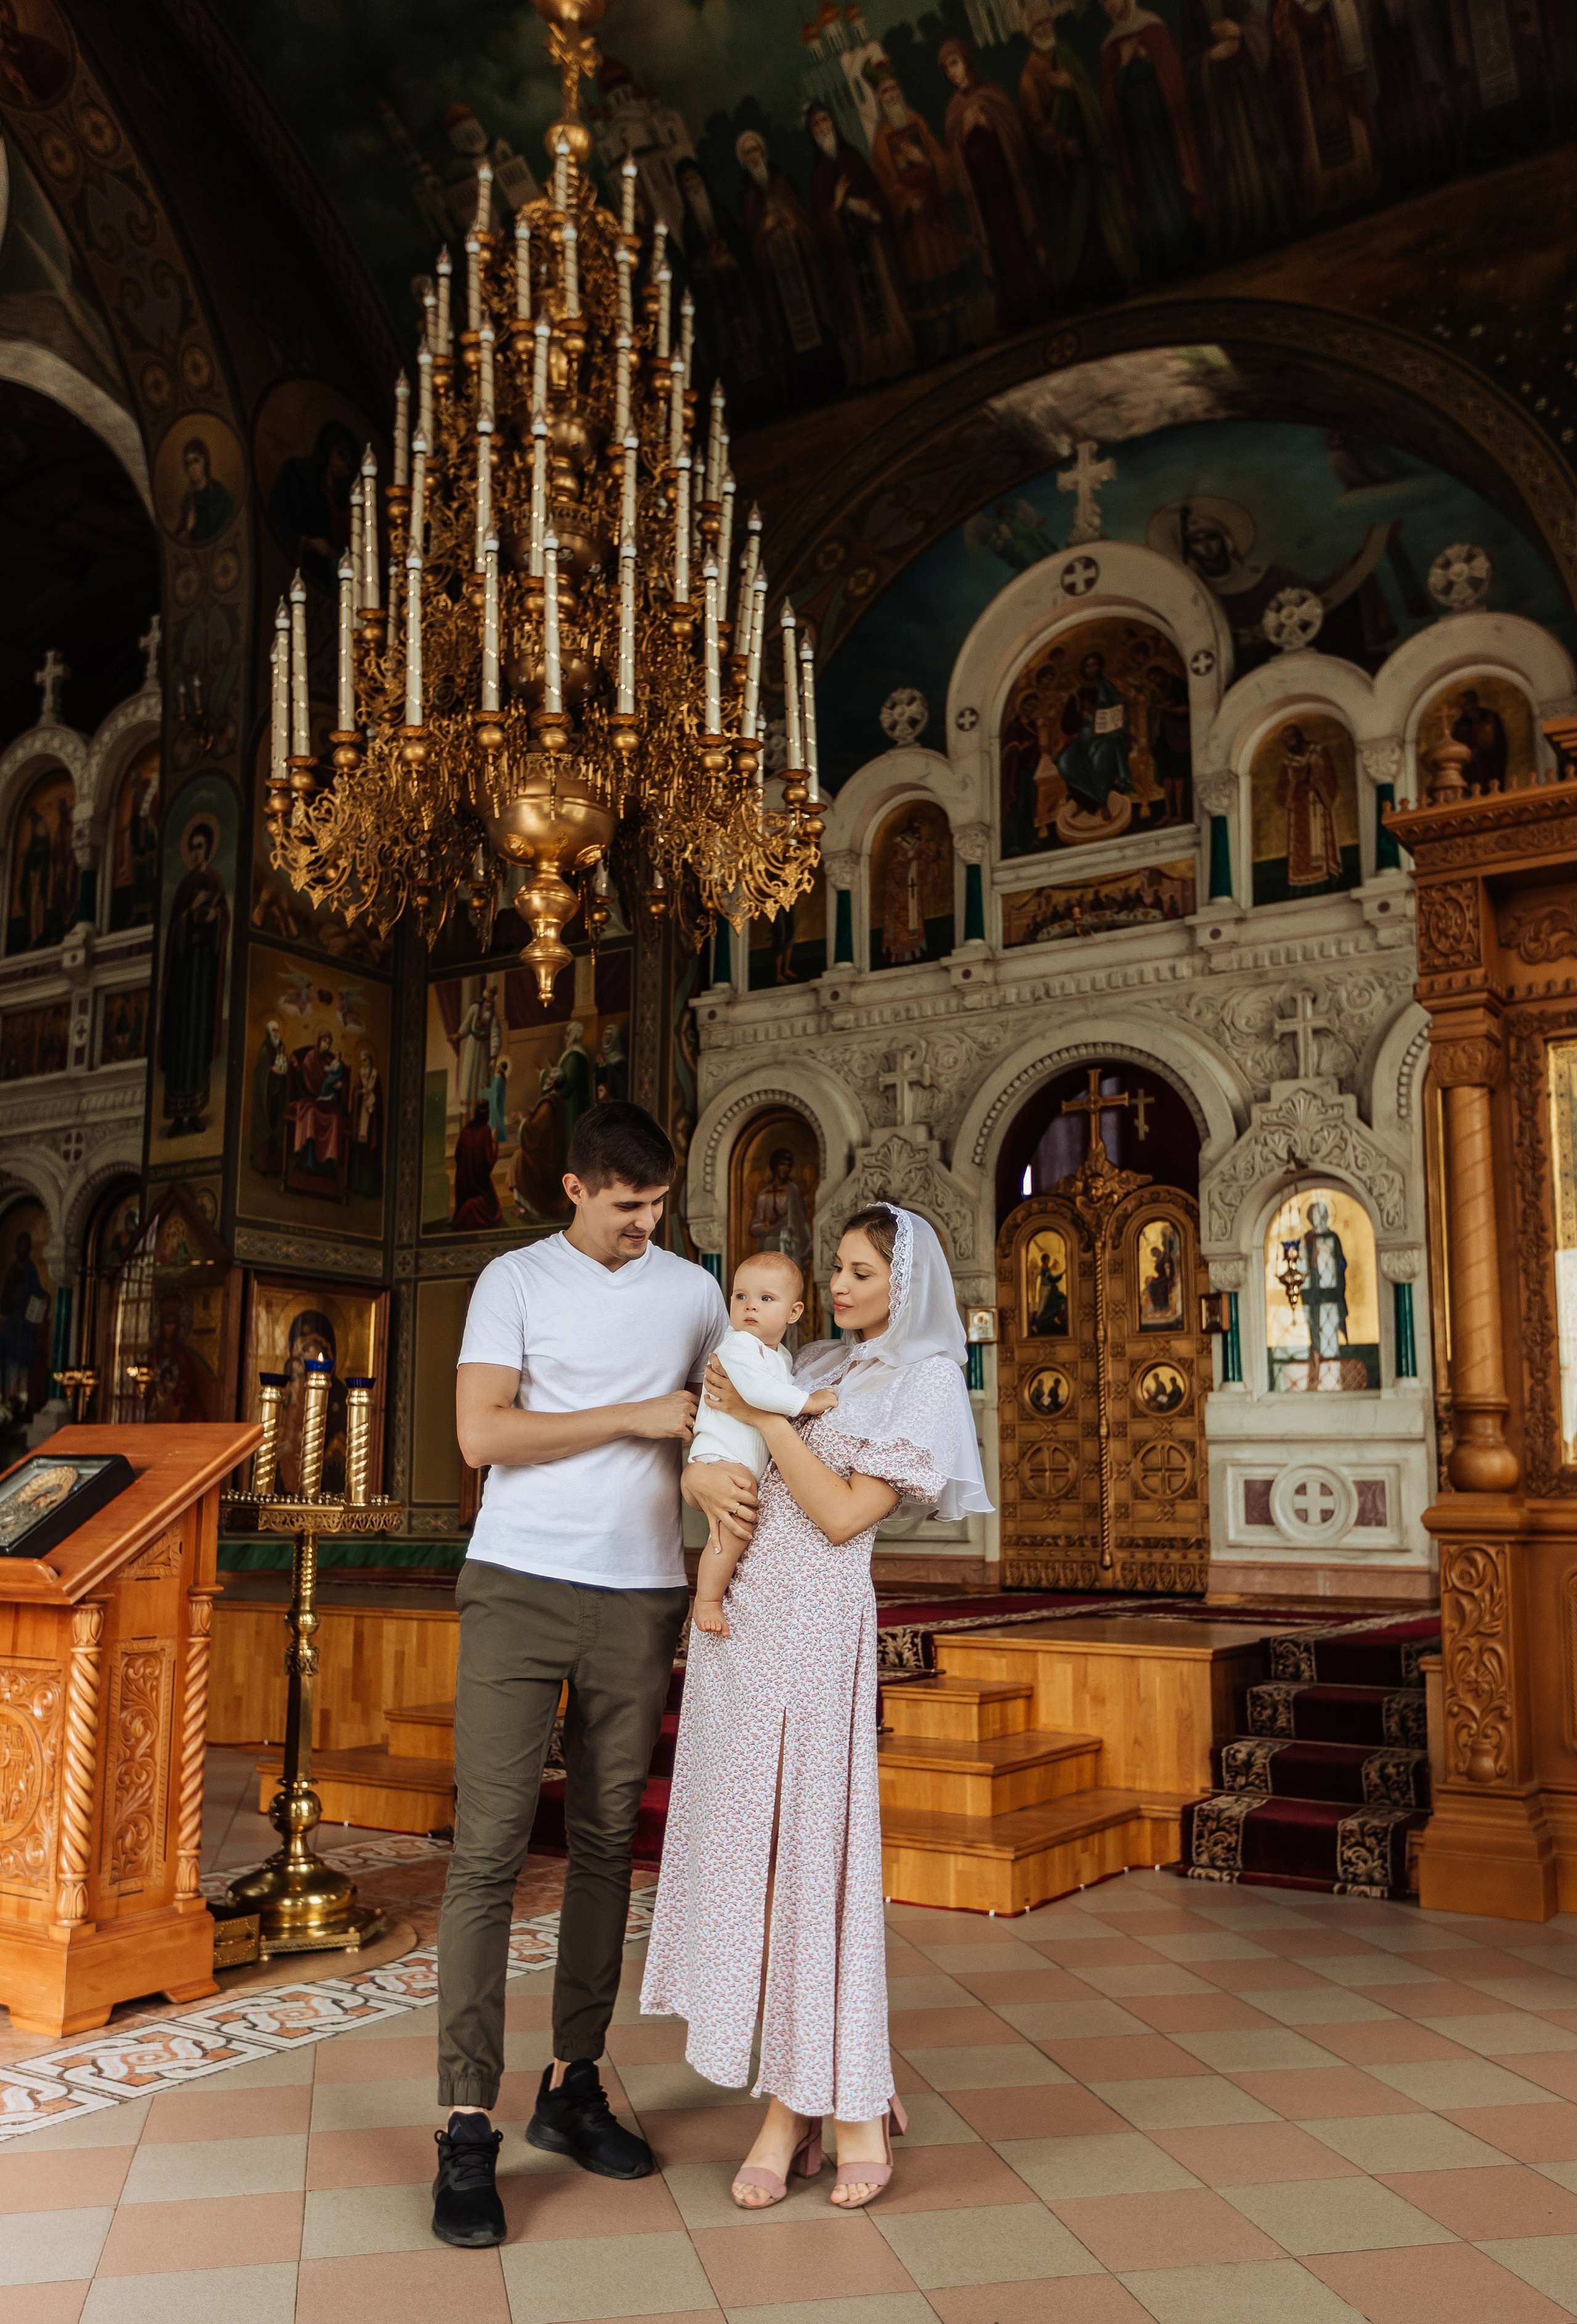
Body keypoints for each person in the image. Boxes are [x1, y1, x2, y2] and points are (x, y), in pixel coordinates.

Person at [643, 1203, 991, 2209]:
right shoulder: (814, 1362)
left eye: (861, 1271)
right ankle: (829, 2090)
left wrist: (761, 1419)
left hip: (819, 1624)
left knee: (817, 1861)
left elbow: (841, 1516)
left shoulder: (924, 1379)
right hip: (744, 1621)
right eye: (834, 1269)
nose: (839, 1286)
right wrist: (716, 1461)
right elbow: (720, 1458)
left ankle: (814, 2108)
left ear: (907, 1283)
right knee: (755, 1852)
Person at [432, 1101, 737, 2249]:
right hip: (517, 1582)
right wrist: (634, 1416)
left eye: (658, 1207)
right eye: (626, 1208)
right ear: (574, 1188)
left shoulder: (691, 1290)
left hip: (643, 1589)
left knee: (609, 1838)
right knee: (492, 1850)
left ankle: (572, 2083)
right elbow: (482, 1436)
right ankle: (469, 2125)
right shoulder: (513, 1282)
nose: (645, 1228)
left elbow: (720, 1424)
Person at [685, 1251, 838, 1636]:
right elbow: (756, 1393)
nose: (750, 1305)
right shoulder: (738, 1346)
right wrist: (808, 1402)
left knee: (732, 1525)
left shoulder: (779, 1356)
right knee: (733, 1525)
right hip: (723, 1454)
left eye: (766, 1299)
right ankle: (707, 1599)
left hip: (739, 1454)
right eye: (740, 1296)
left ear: (794, 1311)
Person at [938, 36, 1047, 335]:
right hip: (983, 199)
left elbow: (1015, 136)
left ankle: (1038, 303)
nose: (952, 72)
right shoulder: (953, 112)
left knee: (1020, 243)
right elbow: (955, 157)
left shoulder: (992, 95)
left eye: (955, 63)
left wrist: (990, 125)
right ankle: (1014, 312)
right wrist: (965, 131)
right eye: (946, 68)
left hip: (1010, 191)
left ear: (967, 61)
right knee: (998, 252)